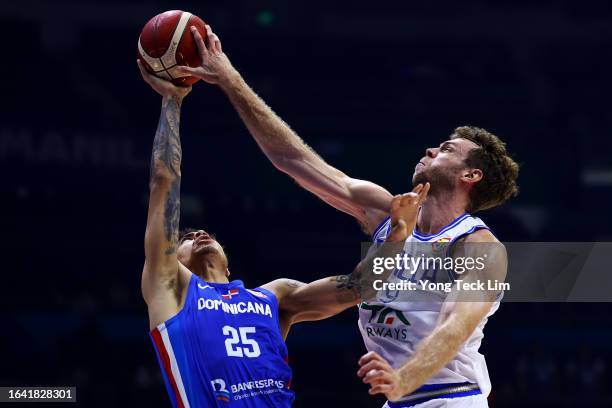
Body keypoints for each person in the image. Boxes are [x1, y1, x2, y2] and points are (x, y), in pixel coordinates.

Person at [177, 24, 519, 407]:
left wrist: (403, 377)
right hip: (397, 397)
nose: (430, 149)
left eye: (446, 149)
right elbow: (293, 160)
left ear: (470, 176)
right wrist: (228, 77)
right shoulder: (385, 215)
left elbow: (456, 327)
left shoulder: (479, 247)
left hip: (451, 399)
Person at [137, 57, 430, 407]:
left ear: (229, 264)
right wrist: (172, 100)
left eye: (203, 232)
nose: (198, 233)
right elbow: (164, 180)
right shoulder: (171, 288)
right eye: (185, 238)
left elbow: (360, 287)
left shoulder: (274, 298)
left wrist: (398, 233)